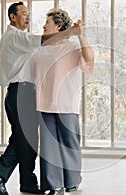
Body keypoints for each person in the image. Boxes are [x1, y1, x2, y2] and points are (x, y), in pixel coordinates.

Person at [0, 2, 79, 195]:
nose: (28, 17)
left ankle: (27, 183)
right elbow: (44, 40)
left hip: (23, 93)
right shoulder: (16, 36)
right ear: (13, 17)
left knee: (24, 139)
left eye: (29, 14)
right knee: (25, 140)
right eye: (24, 13)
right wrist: (72, 32)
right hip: (21, 92)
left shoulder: (19, 40)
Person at [32, 8, 94, 195]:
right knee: (49, 148)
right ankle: (54, 185)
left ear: (58, 26)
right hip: (45, 103)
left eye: (47, 23)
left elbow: (90, 61)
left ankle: (72, 181)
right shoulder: (41, 49)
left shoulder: (71, 46)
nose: (43, 26)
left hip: (66, 103)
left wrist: (81, 36)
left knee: (69, 144)